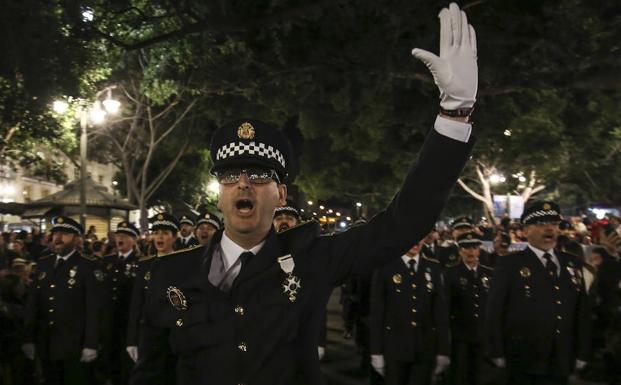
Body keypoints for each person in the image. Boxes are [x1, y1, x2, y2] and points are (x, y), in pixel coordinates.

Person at [131, 3, 476, 384]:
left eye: (259, 175)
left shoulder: (312, 259)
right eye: (231, 175)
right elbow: (152, 373)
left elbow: (402, 224)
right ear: (219, 194)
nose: (244, 183)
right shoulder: (167, 273)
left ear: (281, 195)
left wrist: (454, 114)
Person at [486, 201, 591, 385]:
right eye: (541, 224)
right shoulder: (510, 264)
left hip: (562, 356)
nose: (549, 229)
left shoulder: (571, 263)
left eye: (553, 224)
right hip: (524, 357)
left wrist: (583, 351)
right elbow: (495, 311)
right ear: (525, 231)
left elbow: (581, 311)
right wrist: (496, 351)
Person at [22, 216, 105, 385]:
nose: (58, 238)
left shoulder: (88, 267)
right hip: (46, 342)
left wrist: (91, 343)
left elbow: (93, 309)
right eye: (55, 234)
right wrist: (28, 338)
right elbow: (33, 303)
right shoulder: (44, 264)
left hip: (74, 345)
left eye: (64, 234)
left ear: (76, 238)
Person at [369, 241, 450, 385]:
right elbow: (377, 313)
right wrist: (376, 352)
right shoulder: (385, 266)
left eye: (420, 237)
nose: (416, 242)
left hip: (424, 348)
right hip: (394, 348)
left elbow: (440, 313)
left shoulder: (433, 267)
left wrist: (443, 350)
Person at [126, 213, 180, 383]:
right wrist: (132, 340)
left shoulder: (185, 263)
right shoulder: (145, 265)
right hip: (149, 336)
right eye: (156, 232)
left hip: (174, 335)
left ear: (174, 236)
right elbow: (136, 304)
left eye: (164, 232)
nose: (159, 237)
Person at [444, 232, 493, 385]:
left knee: (481, 375)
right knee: (460, 375)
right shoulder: (451, 273)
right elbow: (446, 305)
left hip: (483, 334)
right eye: (466, 247)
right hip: (460, 335)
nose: (470, 251)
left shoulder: (489, 273)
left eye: (474, 247)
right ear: (460, 251)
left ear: (479, 250)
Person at [101, 221, 141, 385]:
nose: (120, 239)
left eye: (125, 236)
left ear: (133, 240)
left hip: (128, 322)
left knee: (127, 366)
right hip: (109, 321)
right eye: (118, 236)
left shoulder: (140, 262)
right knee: (110, 363)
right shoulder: (107, 262)